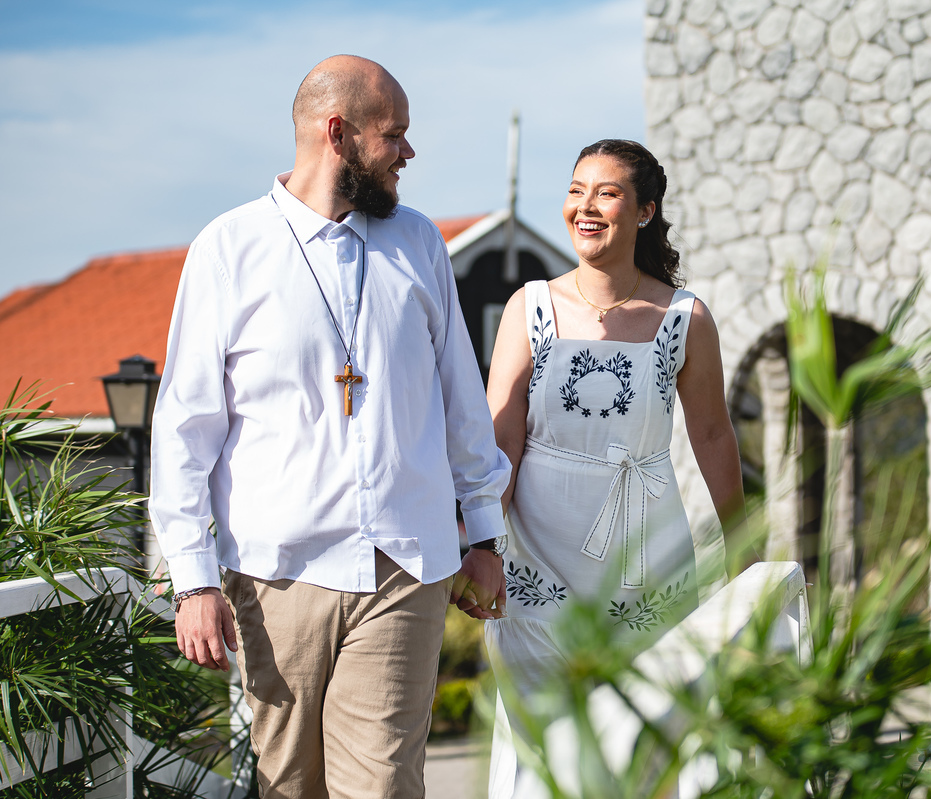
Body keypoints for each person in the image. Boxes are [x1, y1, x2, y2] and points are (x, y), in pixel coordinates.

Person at [149, 55, 511, 798]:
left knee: (380, 784)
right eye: (394, 135)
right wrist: (192, 578)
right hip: (277, 568)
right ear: (337, 132)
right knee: (289, 783)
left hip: (404, 564)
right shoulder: (229, 248)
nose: (408, 152)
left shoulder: (419, 243)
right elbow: (185, 429)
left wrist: (482, 536)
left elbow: (461, 403)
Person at [482, 139, 744, 797]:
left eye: (606, 192)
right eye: (576, 189)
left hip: (648, 559)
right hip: (536, 560)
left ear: (646, 210)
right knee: (546, 747)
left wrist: (744, 547)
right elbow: (501, 439)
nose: (585, 205)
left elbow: (713, 435)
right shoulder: (529, 307)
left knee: (648, 742)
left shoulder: (686, 318)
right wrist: (480, 544)